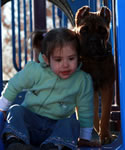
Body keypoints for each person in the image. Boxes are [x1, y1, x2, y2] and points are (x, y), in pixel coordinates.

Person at [0, 28, 100, 150]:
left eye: (71, 58)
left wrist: (84, 138)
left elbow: (85, 109)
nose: (65, 64)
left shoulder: (81, 80)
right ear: (47, 59)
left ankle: (54, 146)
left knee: (72, 123)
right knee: (15, 110)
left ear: (78, 57)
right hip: (30, 125)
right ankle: (16, 141)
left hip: (55, 130)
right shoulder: (35, 71)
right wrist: (2, 108)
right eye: (58, 60)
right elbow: (14, 84)